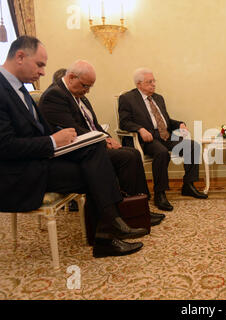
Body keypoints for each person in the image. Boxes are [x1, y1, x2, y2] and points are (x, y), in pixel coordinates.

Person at [0, 36, 146, 258]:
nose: (42, 72)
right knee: (95, 170)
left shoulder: (20, 90)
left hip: (39, 161)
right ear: (20, 57)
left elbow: (38, 132)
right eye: (40, 65)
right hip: (18, 173)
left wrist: (61, 140)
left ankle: (111, 228)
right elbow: (5, 146)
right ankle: (110, 229)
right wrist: (52, 141)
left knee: (95, 153)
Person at [38, 60, 165, 227]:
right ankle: (130, 212)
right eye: (85, 86)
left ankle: (139, 209)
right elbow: (73, 129)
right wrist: (102, 140)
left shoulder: (79, 95)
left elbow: (94, 125)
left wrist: (108, 137)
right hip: (75, 152)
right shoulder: (55, 96)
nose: (87, 91)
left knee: (132, 153)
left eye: (90, 87)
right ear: (70, 78)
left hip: (91, 144)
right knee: (127, 157)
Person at [118, 68, 207, 211]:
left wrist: (179, 124)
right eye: (149, 82)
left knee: (192, 146)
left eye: (154, 81)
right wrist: (140, 129)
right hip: (146, 139)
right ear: (139, 84)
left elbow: (165, 120)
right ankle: (160, 193)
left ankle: (188, 185)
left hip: (165, 135)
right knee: (162, 152)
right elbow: (124, 122)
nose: (153, 84)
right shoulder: (128, 98)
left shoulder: (158, 98)